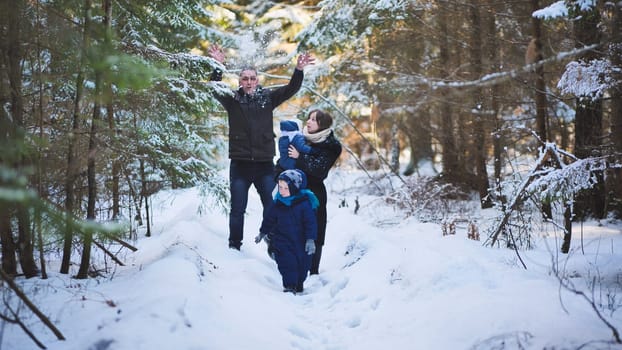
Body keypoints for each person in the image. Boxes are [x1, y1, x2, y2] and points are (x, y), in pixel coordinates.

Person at [207, 44, 315, 250]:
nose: (249, 82)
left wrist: (299, 70)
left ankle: (273, 242)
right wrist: (218, 65)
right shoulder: (232, 100)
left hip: (265, 165)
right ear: (240, 81)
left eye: (252, 78)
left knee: (274, 205)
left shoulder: (267, 98)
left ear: (257, 80)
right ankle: (234, 246)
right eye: (245, 78)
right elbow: (214, 88)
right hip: (240, 166)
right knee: (237, 209)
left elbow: (291, 88)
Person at [288, 109, 342, 274]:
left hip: (315, 191)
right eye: (309, 119)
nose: (308, 122)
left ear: (322, 125)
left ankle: (313, 269)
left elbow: (319, 170)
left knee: (315, 229)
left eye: (313, 120)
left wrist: (300, 157)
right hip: (294, 190)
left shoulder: (331, 146)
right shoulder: (300, 139)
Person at [255, 169, 319, 294]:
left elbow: (311, 223)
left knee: (303, 265)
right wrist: (262, 233)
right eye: (280, 187)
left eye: (286, 188)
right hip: (282, 241)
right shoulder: (278, 203)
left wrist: (310, 239)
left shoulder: (304, 204)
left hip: (301, 242)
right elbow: (269, 219)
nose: (282, 191)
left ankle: (298, 283)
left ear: (295, 188)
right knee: (287, 264)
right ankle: (290, 285)